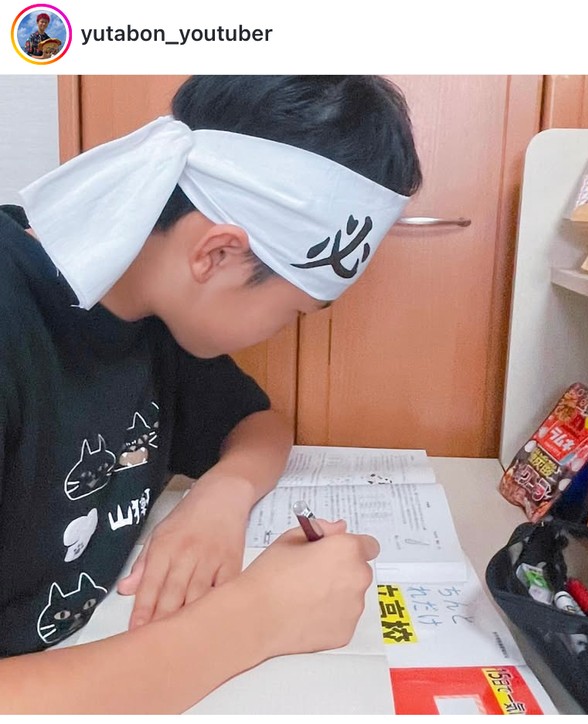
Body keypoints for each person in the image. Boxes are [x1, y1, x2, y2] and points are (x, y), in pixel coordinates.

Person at [0, 75, 422, 713]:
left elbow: (259, 423)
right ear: (217, 254)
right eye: (292, 314)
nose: (283, 331)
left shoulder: (146, 310)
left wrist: (223, 493)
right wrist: (257, 619)